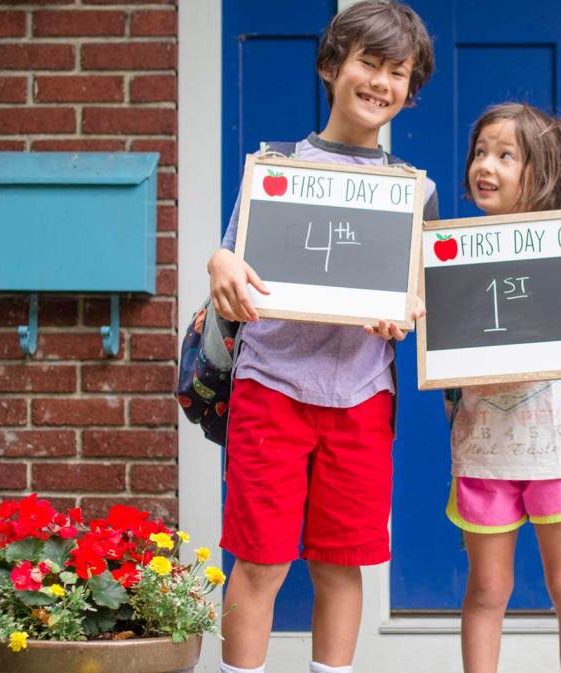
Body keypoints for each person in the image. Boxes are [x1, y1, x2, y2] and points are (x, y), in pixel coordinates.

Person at [206, 4, 436, 673]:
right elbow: (232, 257)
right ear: (333, 66)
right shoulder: (276, 166)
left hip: (362, 396)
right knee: (261, 559)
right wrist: (218, 266)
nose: (382, 82)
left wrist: (407, 314)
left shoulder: (414, 191)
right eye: (370, 62)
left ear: (409, 89)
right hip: (271, 386)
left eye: (399, 72)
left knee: (342, 562)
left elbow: (415, 294)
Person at [446, 102, 561, 673]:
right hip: (484, 453)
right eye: (479, 152)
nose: (484, 165)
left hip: (560, 452)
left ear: (538, 175)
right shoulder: (450, 259)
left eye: (504, 155)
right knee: (486, 591)